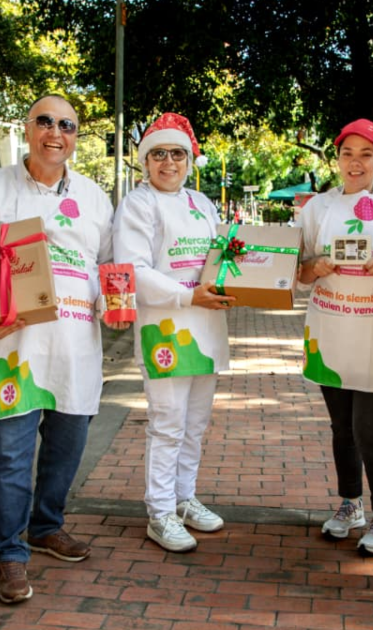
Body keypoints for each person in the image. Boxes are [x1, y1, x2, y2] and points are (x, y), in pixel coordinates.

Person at [0, 95, 121, 604]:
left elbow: (109, 269)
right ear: (27, 128)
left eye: (68, 124)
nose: (56, 132)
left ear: (77, 135)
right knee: (10, 454)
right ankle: (9, 552)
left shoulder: (96, 197)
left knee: (67, 449)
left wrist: (115, 301)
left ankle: (46, 525)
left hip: (77, 349)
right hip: (15, 349)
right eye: (45, 121)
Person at [296, 119, 373, 556]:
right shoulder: (316, 209)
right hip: (331, 328)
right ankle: (351, 505)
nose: (356, 162)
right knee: (341, 428)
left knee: (370, 430)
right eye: (348, 153)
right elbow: (298, 271)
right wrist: (316, 268)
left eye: (366, 154)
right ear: (337, 159)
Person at [113, 112, 234, 553]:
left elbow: (219, 257)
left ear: (189, 159)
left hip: (207, 324)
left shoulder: (201, 203)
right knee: (167, 423)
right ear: (145, 161)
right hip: (165, 328)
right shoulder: (138, 204)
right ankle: (159, 511)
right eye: (158, 154)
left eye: (177, 153)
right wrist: (187, 296)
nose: (169, 162)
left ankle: (184, 499)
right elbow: (133, 269)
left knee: (196, 423)